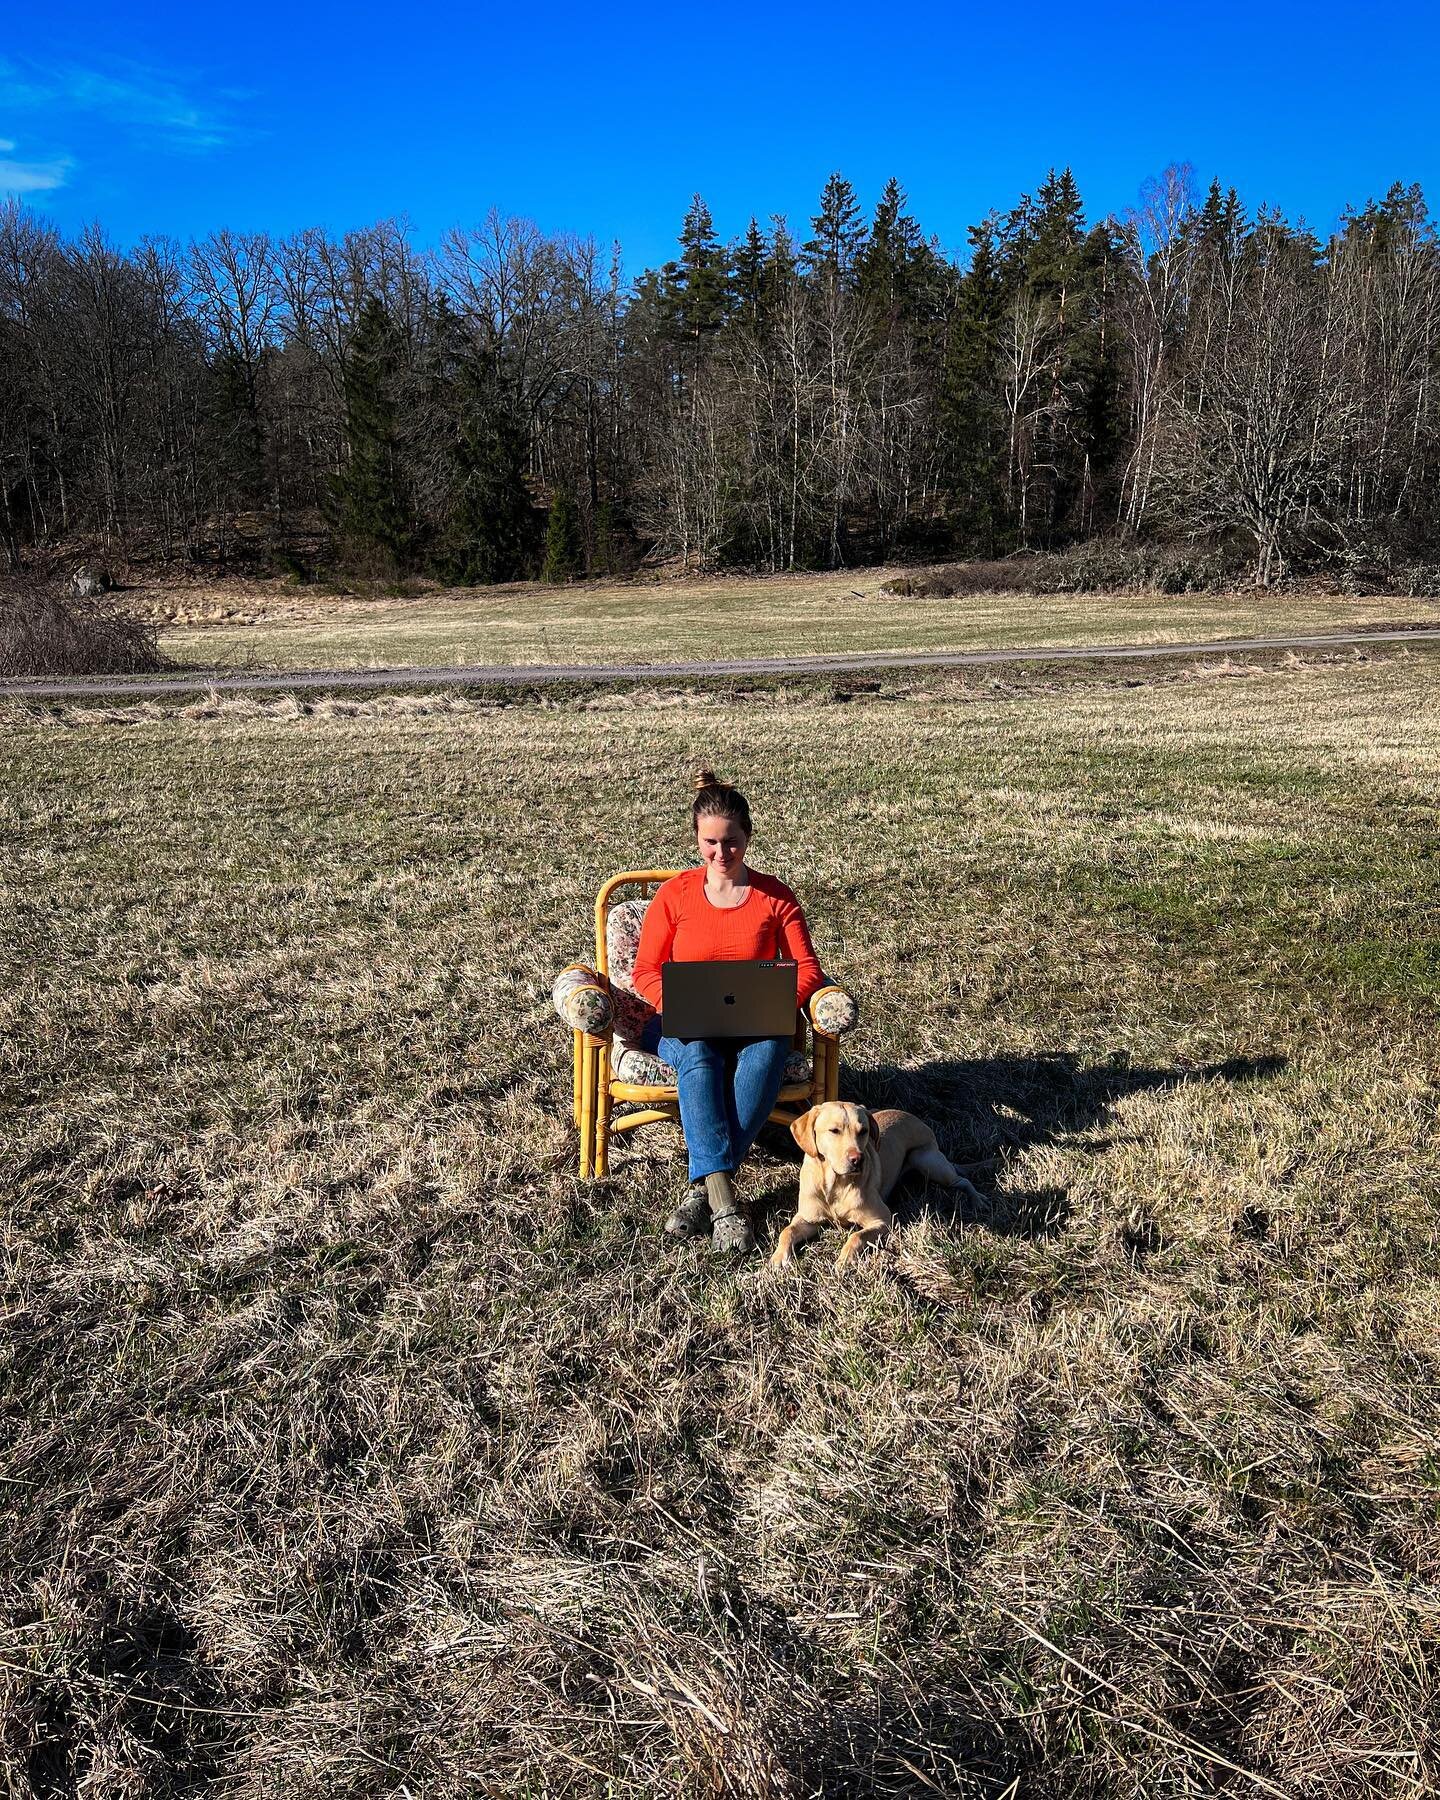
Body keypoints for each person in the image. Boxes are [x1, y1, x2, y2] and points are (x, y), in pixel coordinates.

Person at [631, 770, 827, 1254]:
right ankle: (725, 1206)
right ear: (697, 840)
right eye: (710, 843)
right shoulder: (674, 895)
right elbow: (645, 971)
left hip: (759, 1020)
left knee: (764, 1058)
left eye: (732, 842)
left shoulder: (774, 896)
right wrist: (676, 1005)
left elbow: (808, 968)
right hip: (686, 1020)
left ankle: (702, 1189)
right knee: (700, 1057)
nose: (721, 854)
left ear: (749, 837)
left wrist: (776, 1003)